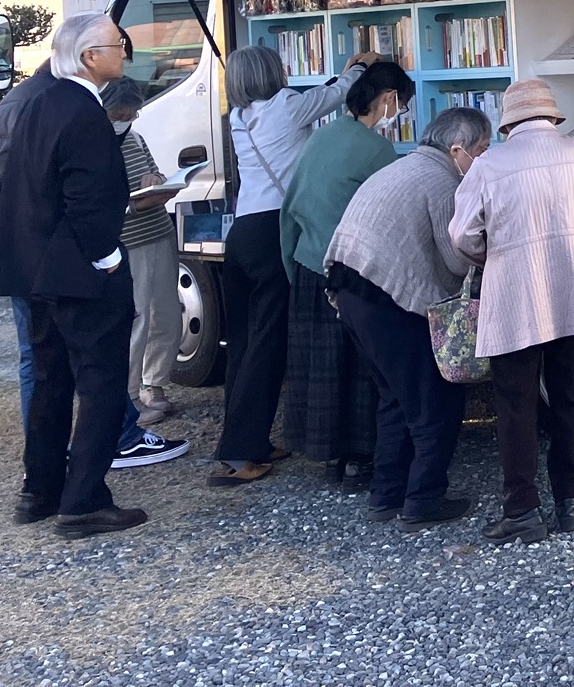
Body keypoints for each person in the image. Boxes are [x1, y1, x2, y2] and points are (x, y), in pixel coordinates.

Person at [0, 14, 149, 535]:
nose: (123, 51)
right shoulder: (83, 111)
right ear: (89, 57)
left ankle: (40, 490)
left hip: (35, 269)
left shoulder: (38, 102)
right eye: (116, 44)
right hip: (79, 272)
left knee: (51, 379)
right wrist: (107, 259)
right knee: (101, 382)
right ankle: (83, 501)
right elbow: (89, 199)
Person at [0, 62, 187, 471]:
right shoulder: (58, 110)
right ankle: (117, 440)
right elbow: (78, 196)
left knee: (42, 359)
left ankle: (45, 457)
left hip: (23, 250)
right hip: (54, 253)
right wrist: (106, 256)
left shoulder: (23, 104)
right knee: (90, 353)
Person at [210, 43, 377, 488]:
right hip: (272, 231)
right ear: (272, 73)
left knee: (243, 343)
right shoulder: (286, 106)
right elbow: (337, 94)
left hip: (242, 232)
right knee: (268, 343)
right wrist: (360, 66)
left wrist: (343, 75)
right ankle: (240, 451)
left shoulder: (238, 117)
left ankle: (246, 441)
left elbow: (321, 95)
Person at [450, 79, 574, 545]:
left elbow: (462, 236)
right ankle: (571, 501)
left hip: (515, 298)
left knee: (515, 405)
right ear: (553, 117)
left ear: (507, 124)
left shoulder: (488, 166)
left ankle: (522, 509)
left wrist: (494, 257)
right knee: (573, 396)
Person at [326, 105, 491, 526]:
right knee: (435, 401)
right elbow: (457, 259)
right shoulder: (442, 181)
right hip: (387, 297)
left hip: (349, 289)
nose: (483, 159)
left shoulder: (403, 167)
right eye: (482, 150)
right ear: (458, 149)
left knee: (395, 399)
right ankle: (423, 501)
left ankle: (386, 496)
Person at [280, 59, 414, 483]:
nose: (400, 114)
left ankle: (328, 455)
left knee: (319, 369)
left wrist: (294, 267)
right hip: (352, 271)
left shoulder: (321, 136)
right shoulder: (378, 150)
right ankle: (361, 458)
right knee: (360, 369)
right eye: (402, 105)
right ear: (389, 99)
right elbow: (392, 216)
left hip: (307, 264)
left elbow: (290, 207)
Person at [101, 80, 183, 425]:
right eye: (124, 113)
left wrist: (156, 180)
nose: (130, 118)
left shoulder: (135, 137)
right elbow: (101, 200)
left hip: (159, 232)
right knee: (137, 320)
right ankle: (130, 396)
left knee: (167, 314)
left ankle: (155, 384)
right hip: (129, 240)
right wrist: (137, 203)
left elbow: (153, 170)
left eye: (132, 112)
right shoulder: (96, 143)